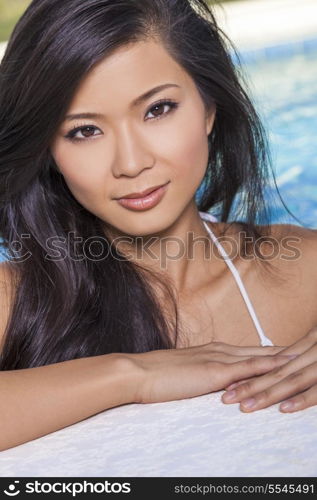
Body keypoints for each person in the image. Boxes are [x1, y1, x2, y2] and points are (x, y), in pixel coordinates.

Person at [0, 0, 316, 452]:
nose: (131, 163)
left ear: (209, 108)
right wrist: (131, 375)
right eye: (84, 131)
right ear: (49, 150)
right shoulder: (17, 299)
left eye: (157, 109)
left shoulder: (299, 268)